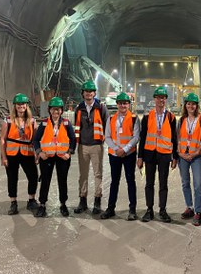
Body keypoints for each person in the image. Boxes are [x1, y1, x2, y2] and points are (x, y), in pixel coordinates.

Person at [137, 86, 178, 223]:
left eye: (164, 97)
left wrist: (175, 157)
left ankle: (162, 210)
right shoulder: (147, 117)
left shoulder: (171, 117)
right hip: (149, 154)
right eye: (159, 97)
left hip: (165, 155)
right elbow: (142, 138)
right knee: (149, 183)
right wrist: (140, 157)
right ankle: (149, 210)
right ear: (154, 99)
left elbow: (174, 138)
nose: (161, 100)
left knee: (163, 184)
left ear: (166, 100)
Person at [33, 97, 76, 217]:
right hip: (47, 157)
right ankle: (42, 205)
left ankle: (63, 204)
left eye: (58, 110)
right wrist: (40, 152)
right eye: (53, 110)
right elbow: (36, 139)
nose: (55, 112)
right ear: (49, 110)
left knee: (62, 180)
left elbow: (73, 139)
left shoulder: (66, 123)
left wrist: (69, 152)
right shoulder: (44, 123)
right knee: (45, 181)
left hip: (63, 157)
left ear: (61, 111)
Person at [100, 92, 140, 221]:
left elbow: (136, 137)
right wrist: (117, 149)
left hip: (129, 154)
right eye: (120, 103)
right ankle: (110, 208)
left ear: (129, 104)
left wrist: (125, 149)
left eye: (125, 103)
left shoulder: (134, 118)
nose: (123, 105)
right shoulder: (111, 119)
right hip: (115, 154)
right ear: (117, 104)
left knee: (130, 181)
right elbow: (107, 136)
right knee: (114, 182)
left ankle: (132, 210)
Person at [73, 80, 109, 215]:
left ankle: (97, 202)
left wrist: (104, 141)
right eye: (86, 91)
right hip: (82, 146)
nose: (89, 93)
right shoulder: (79, 108)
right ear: (83, 93)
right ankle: (82, 201)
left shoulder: (101, 107)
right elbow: (75, 127)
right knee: (83, 175)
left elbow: (107, 126)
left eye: (91, 91)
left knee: (97, 174)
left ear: (94, 93)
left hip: (96, 146)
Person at [0, 93, 39, 215]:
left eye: (23, 104)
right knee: (12, 178)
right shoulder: (8, 121)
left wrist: (37, 154)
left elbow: (36, 140)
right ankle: (13, 203)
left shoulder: (32, 121)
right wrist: (3, 157)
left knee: (33, 177)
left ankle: (31, 201)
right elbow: (2, 140)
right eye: (18, 104)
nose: (21, 106)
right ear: (15, 106)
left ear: (26, 105)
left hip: (27, 153)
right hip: (12, 154)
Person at [177, 93, 201, 226]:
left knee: (197, 184)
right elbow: (177, 139)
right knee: (185, 183)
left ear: (197, 106)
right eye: (188, 103)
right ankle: (189, 207)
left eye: (193, 104)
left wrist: (194, 154)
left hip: (197, 157)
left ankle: (198, 211)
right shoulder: (182, 120)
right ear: (185, 105)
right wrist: (180, 153)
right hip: (183, 156)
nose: (191, 106)